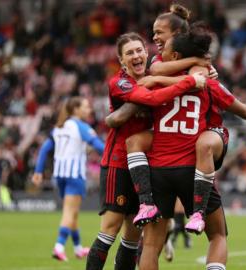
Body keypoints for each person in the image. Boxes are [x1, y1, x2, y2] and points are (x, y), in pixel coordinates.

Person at [138, 25, 246, 270]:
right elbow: (244, 110)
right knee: (217, 236)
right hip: (193, 170)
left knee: (152, 246)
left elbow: (147, 84)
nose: (160, 51)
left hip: (158, 170)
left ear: (176, 56)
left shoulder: (156, 83)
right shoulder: (208, 82)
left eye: (164, 48)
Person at [85, 32, 206, 270]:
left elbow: (163, 79)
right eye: (129, 53)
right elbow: (149, 98)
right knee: (109, 229)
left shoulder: (153, 77)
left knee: (131, 237)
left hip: (142, 165)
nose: (136, 55)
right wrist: (190, 82)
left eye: (139, 50)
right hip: (118, 163)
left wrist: (197, 65)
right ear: (121, 61)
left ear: (147, 53)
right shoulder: (119, 83)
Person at [32, 96, 105, 262]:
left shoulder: (59, 127)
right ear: (76, 109)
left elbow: (44, 149)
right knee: (69, 212)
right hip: (74, 175)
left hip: (60, 175)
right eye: (86, 107)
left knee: (73, 213)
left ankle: (78, 248)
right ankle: (58, 246)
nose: (89, 110)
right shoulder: (81, 126)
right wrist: (115, 156)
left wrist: (38, 171)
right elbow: (98, 146)